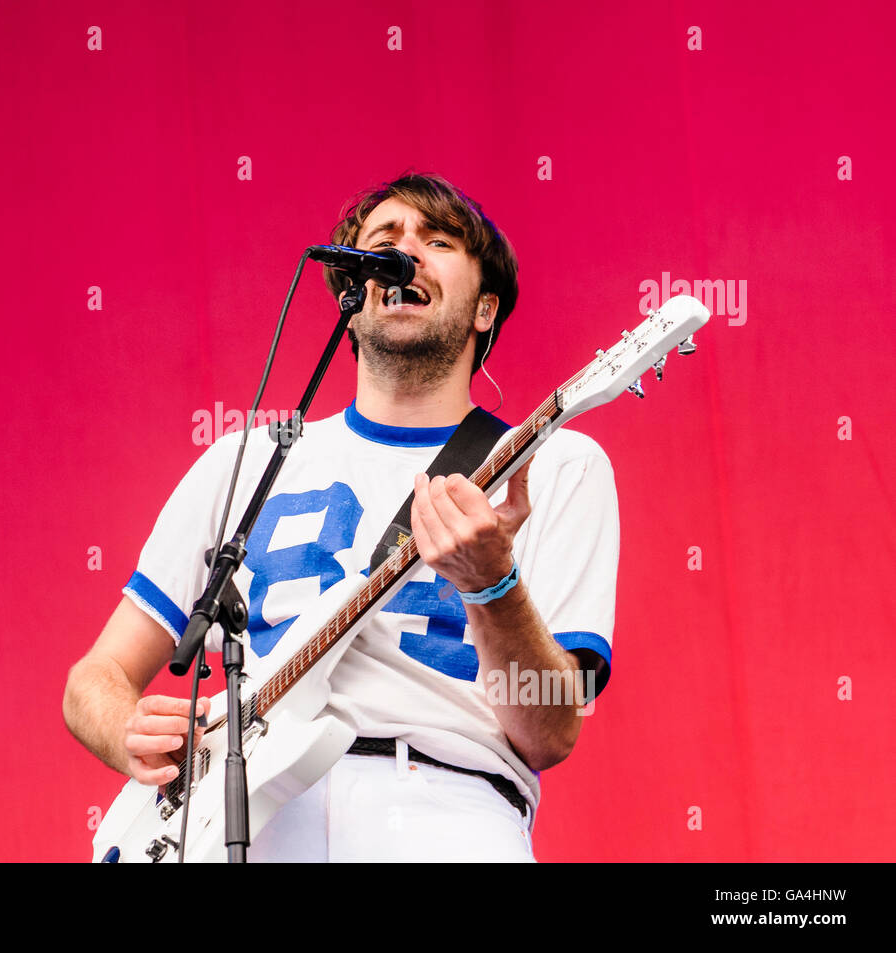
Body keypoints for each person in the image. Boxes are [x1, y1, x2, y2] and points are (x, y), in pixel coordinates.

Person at [63, 172, 619, 861]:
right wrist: (128, 731)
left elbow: (551, 732)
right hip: (249, 819)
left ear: (485, 309)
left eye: (438, 240)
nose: (404, 251)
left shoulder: (554, 464)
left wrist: (491, 585)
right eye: (383, 241)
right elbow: (94, 677)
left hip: (447, 812)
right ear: (351, 300)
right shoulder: (243, 460)